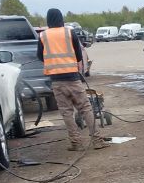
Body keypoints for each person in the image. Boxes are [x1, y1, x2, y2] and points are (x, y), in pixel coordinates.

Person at [37, 9, 107, 151]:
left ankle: (76, 143)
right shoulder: (69, 32)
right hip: (73, 78)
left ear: (48, 20)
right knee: (86, 109)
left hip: (56, 80)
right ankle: (97, 141)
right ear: (61, 19)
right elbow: (78, 55)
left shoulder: (43, 35)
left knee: (66, 112)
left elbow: (40, 56)